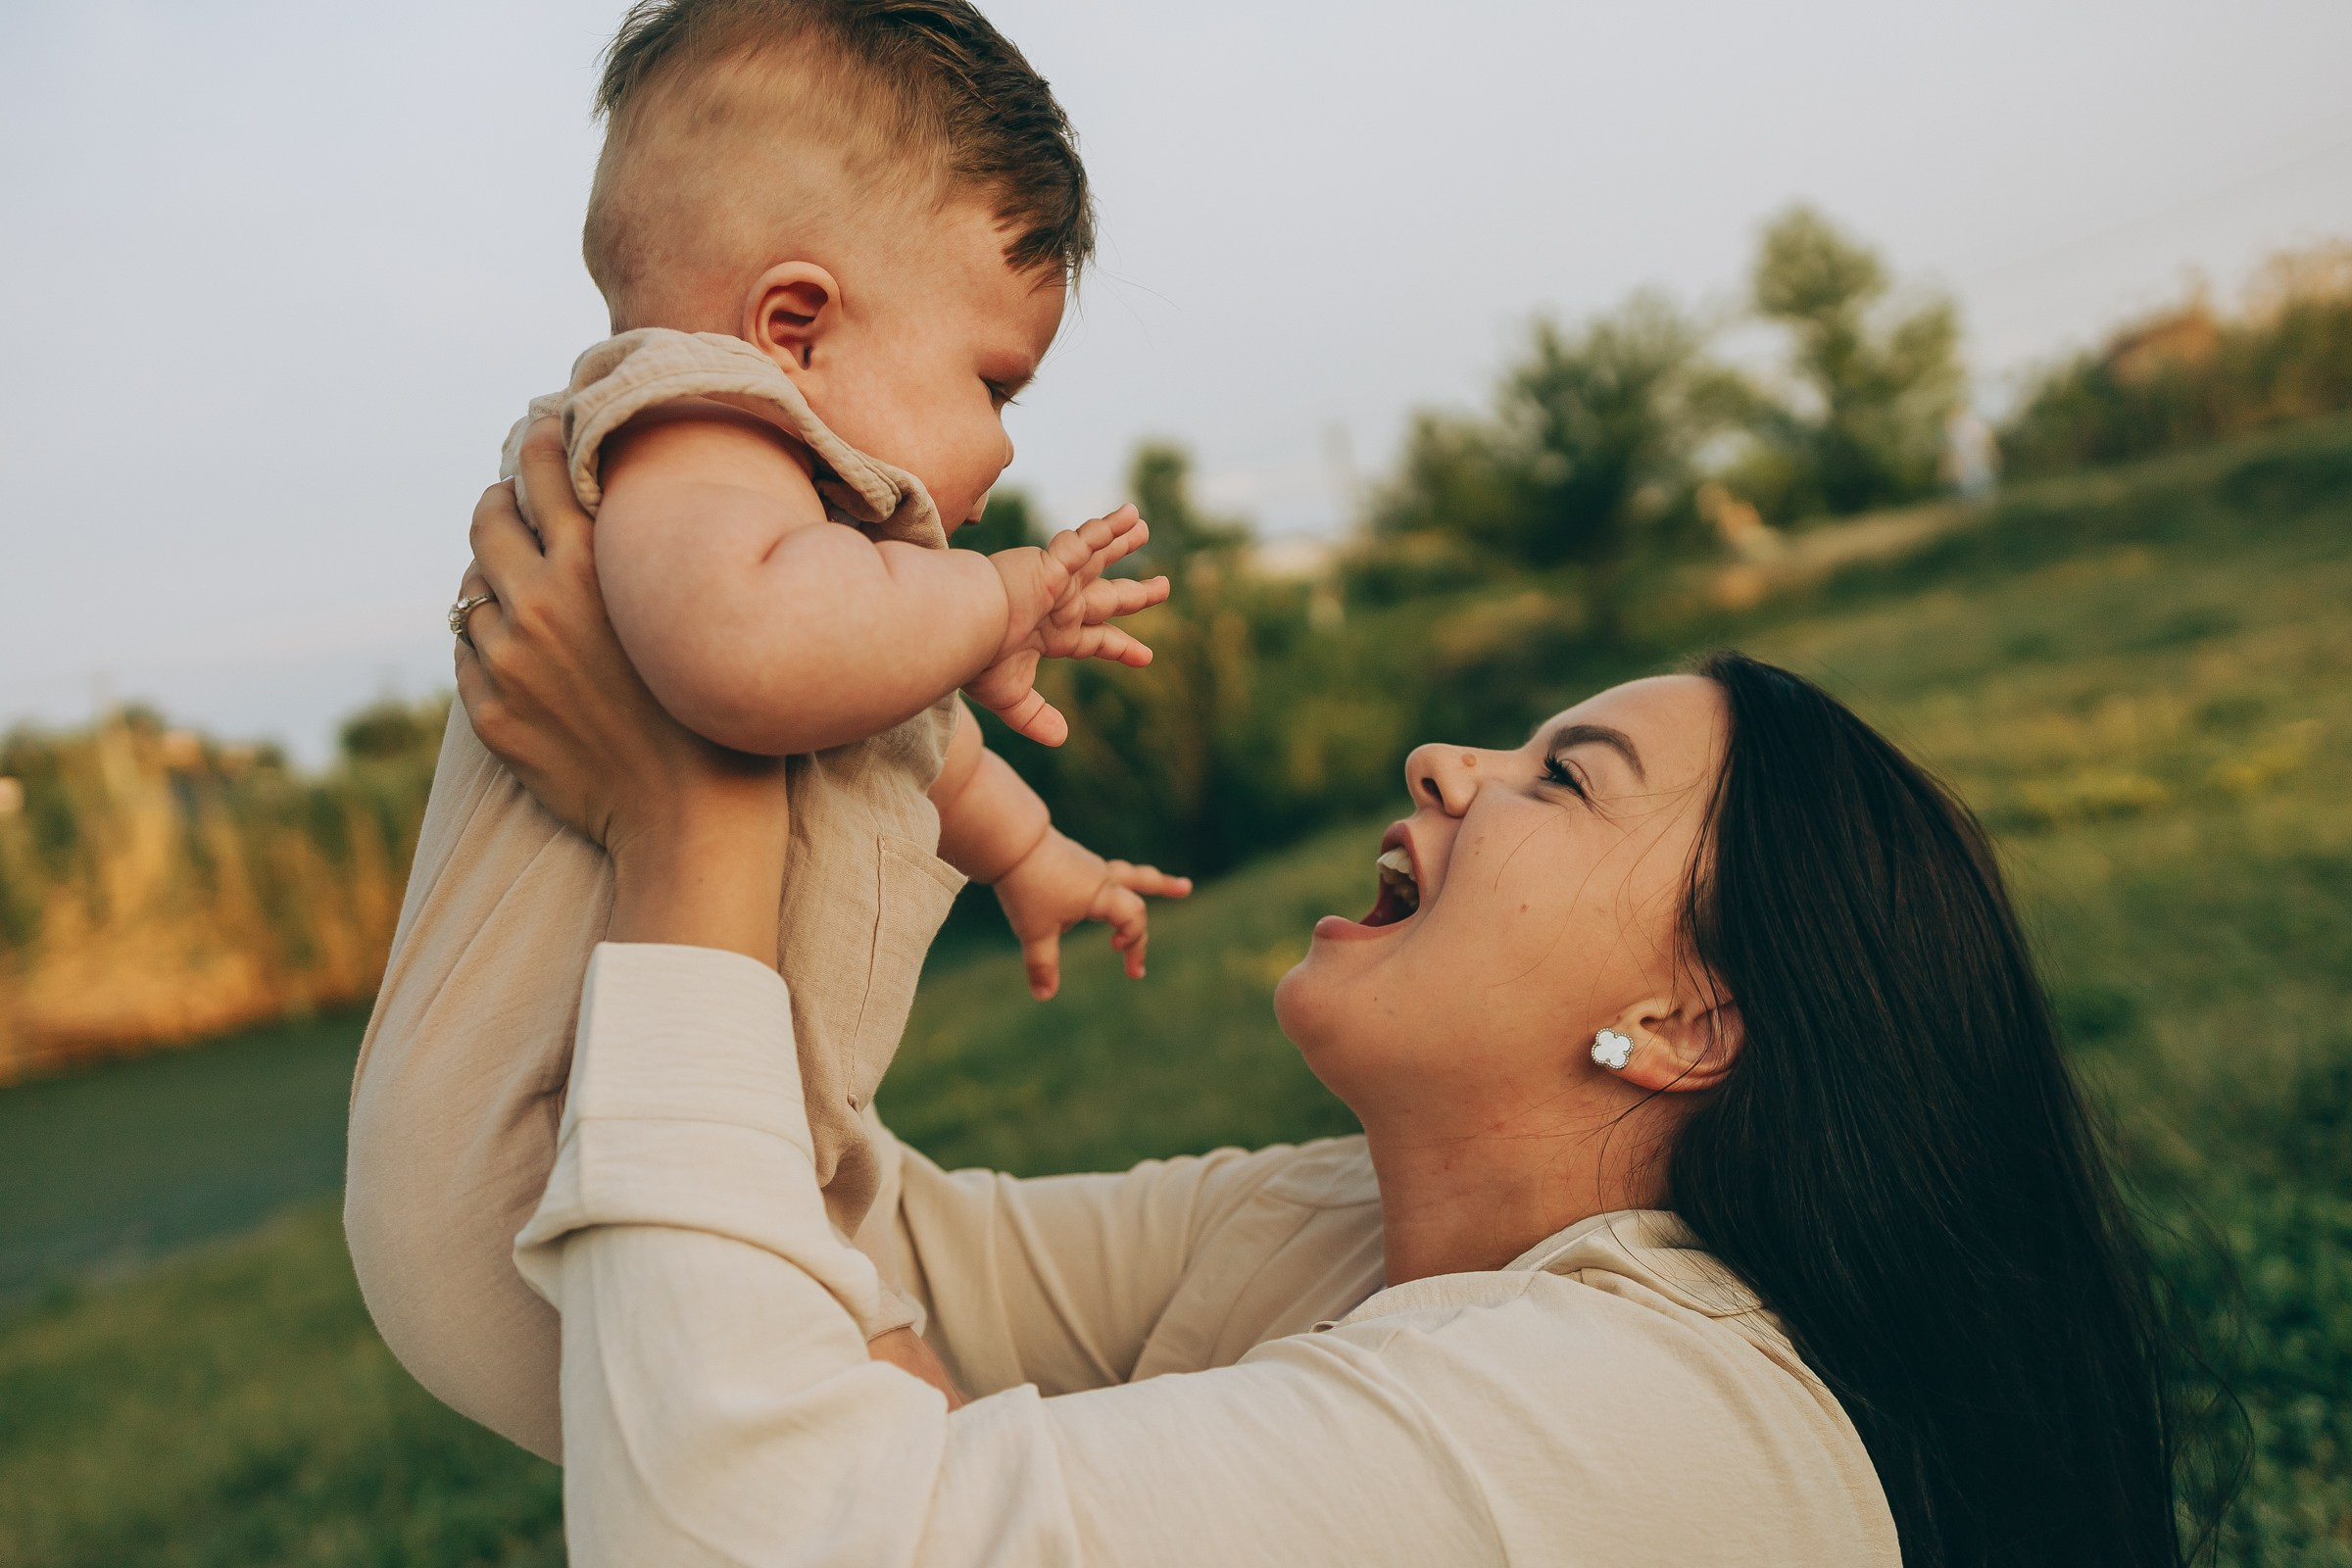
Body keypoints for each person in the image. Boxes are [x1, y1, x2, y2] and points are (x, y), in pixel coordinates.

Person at [365, 424, 2197, 1565]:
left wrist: (691, 830)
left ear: (1693, 1025)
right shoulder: (1326, 1231)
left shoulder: (1657, 1432)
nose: (1443, 760)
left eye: (1564, 780)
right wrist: (731, 653)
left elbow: (744, 1534)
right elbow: (841, 1246)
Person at [346, 0, 1191, 1454]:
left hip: (643, 1141)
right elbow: (753, 659)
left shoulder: (785, 529)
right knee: (890, 1446)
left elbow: (901, 746)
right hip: (532, 1165)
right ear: (792, 326)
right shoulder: (701, 432)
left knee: (891, 1419)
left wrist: (1031, 854)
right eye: (994, 382)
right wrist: (989, 598)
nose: (1003, 445)